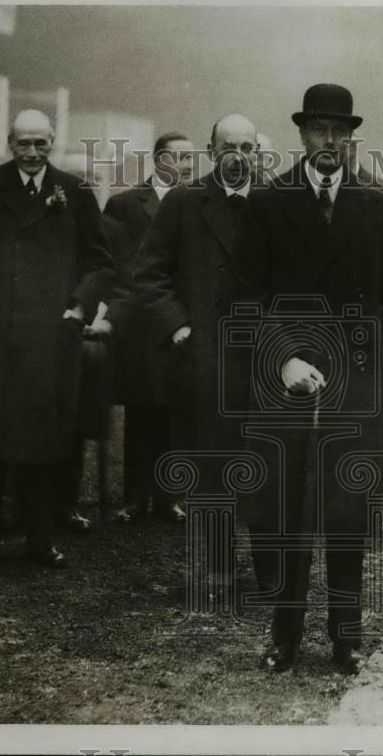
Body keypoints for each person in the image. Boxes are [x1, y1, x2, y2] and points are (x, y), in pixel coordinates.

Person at [241, 84, 383, 675]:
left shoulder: (375, 206)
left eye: (340, 132)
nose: (329, 142)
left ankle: (345, 637)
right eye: (319, 130)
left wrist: (378, 362)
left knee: (347, 513)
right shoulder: (268, 203)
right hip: (285, 381)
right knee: (284, 513)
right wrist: (286, 357)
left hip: (355, 386)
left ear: (350, 138)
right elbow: (246, 297)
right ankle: (284, 634)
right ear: (301, 135)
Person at [0, 109, 114, 572]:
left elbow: (100, 263)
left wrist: (78, 306)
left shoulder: (74, 191)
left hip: (51, 337)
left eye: (41, 143)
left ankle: (40, 541)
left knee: (45, 442)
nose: (33, 152)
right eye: (24, 144)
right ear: (8, 143)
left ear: (53, 141)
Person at [126, 114, 262, 599]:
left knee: (266, 464)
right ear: (211, 151)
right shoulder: (184, 203)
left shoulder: (274, 204)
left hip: (264, 361)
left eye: (248, 147)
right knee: (212, 467)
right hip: (206, 360)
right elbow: (149, 274)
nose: (239, 156)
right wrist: (179, 327)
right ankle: (220, 570)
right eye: (230, 147)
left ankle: (269, 572)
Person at [87, 132, 195, 525]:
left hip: (179, 321)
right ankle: (134, 497)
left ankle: (169, 497)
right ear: (159, 160)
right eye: (179, 158)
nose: (186, 165)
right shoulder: (125, 204)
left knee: (173, 412)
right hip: (138, 323)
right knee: (140, 412)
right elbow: (111, 262)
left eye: (190, 158)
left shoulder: (197, 202)